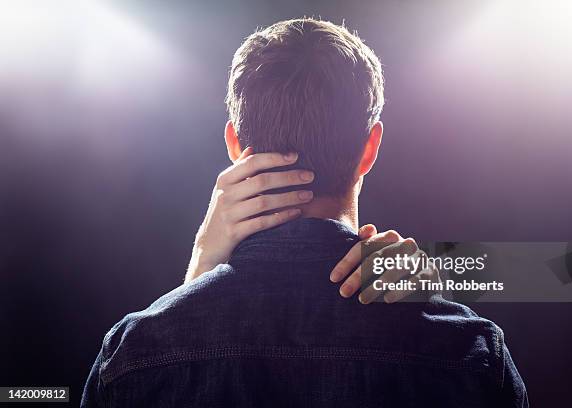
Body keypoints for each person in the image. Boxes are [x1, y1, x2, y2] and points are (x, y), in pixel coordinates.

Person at [82, 18, 528, 407]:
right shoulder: (471, 352)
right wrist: (438, 309)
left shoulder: (134, 354)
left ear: (236, 145)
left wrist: (197, 278)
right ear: (370, 147)